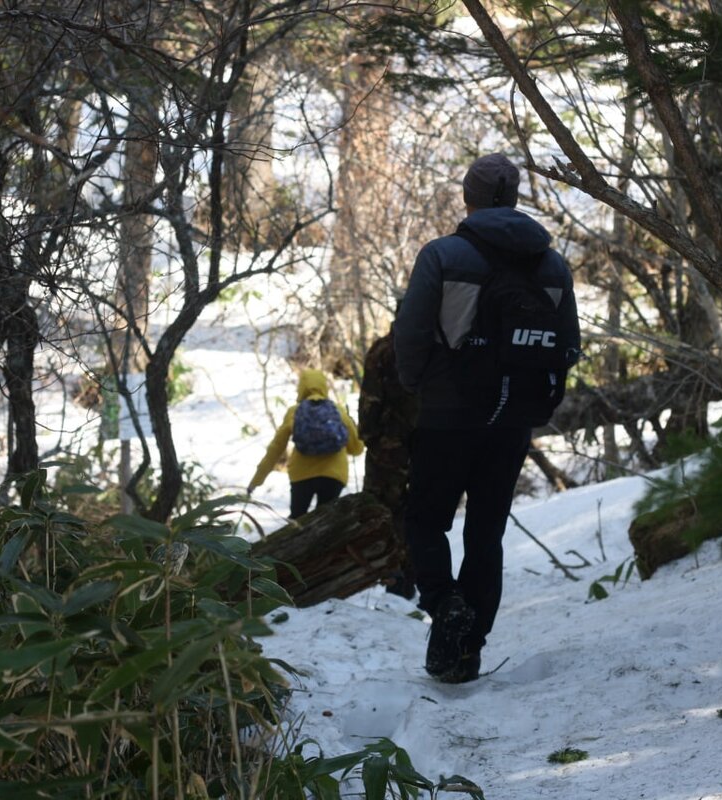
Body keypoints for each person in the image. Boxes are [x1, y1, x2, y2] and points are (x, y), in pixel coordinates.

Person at [393, 153, 580, 683]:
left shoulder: (444, 256)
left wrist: (418, 385)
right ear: (515, 198)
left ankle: (444, 602)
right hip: (513, 419)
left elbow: (410, 333)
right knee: (486, 533)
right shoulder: (552, 265)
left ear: (467, 197)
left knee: (425, 520)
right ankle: (467, 650)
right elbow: (568, 344)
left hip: (448, 415)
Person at [247, 368, 364, 519]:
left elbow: (276, 448)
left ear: (301, 388)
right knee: (326, 521)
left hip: (302, 474)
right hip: (335, 475)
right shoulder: (338, 410)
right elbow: (357, 449)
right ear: (324, 386)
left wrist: (256, 480)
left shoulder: (294, 411)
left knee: (297, 520)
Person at [358, 327, 418, 599]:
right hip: (430, 445)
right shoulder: (438, 345)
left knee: (382, 509)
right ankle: (413, 577)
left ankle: (390, 577)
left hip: (389, 446)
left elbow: (371, 397)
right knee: (418, 512)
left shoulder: (384, 350)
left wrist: (369, 435)